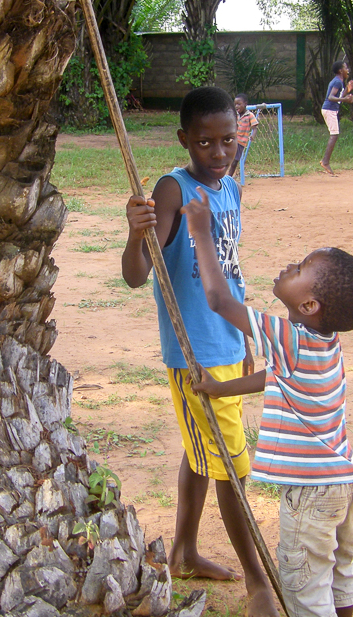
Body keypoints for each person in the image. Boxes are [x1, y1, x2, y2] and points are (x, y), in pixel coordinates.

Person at [122, 86, 278, 617]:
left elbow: (230, 269)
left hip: (228, 343)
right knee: (232, 466)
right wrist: (134, 234)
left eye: (227, 140)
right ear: (184, 139)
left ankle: (184, 550)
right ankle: (258, 581)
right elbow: (137, 276)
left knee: (203, 452)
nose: (218, 152)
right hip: (195, 358)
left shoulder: (229, 189)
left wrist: (248, 334)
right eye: (205, 142)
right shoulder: (174, 189)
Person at [181, 191, 353, 617]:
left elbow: (219, 301)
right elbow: (277, 378)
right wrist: (223, 388)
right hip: (345, 482)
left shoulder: (289, 337)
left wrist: (201, 232)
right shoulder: (324, 344)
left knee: (304, 588)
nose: (290, 265)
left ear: (309, 305)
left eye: (301, 267)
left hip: (310, 494)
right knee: (339, 574)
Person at [320, 62, 353, 176]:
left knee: (334, 134)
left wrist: (347, 90)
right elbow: (331, 97)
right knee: (334, 134)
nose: (348, 69)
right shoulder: (337, 81)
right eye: (345, 68)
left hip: (331, 110)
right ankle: (325, 161)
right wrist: (346, 99)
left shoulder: (339, 82)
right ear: (340, 70)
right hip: (329, 109)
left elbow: (338, 96)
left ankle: (325, 161)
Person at [230, 93, 259, 178]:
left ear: (245, 104)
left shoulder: (250, 115)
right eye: (235, 104)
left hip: (241, 142)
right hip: (232, 140)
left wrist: (252, 136)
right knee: (228, 158)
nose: (236, 106)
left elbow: (255, 128)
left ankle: (228, 178)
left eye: (239, 104)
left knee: (235, 161)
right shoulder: (235, 114)